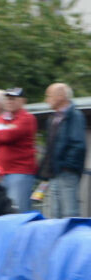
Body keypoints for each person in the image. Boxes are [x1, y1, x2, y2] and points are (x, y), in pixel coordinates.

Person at [0, 87, 37, 213]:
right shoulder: (1, 118)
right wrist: (4, 131)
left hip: (20, 172)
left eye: (13, 99)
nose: (10, 101)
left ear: (22, 101)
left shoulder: (27, 118)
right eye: (8, 99)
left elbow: (8, 136)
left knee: (18, 210)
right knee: (3, 210)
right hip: (2, 172)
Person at [40, 82, 86, 219]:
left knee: (69, 213)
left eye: (49, 96)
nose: (46, 99)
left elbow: (78, 144)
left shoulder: (75, 116)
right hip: (54, 173)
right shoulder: (53, 119)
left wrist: (66, 167)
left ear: (61, 96)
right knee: (54, 214)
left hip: (66, 172)